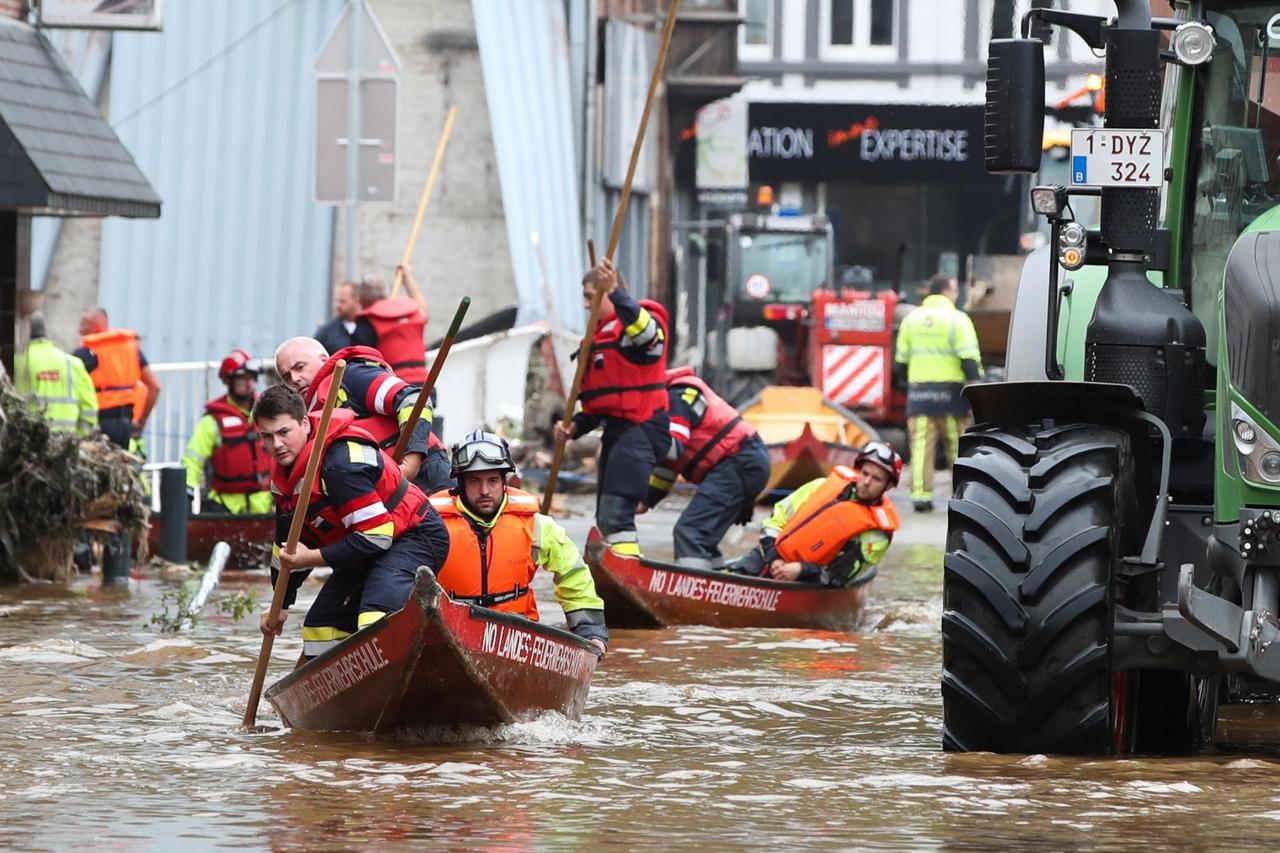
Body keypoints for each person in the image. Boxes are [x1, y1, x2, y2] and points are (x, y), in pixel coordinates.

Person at [253, 384, 450, 659]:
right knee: (320, 628)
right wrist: (280, 605)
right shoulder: (283, 479)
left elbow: (376, 536)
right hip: (362, 548)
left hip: (412, 535)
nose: (276, 444)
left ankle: (399, 681)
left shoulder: (340, 464)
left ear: (305, 424)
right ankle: (329, 696)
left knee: (374, 618)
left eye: (284, 432)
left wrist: (311, 558)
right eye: (267, 436)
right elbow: (285, 550)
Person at [427, 430, 609, 655]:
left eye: (493, 480)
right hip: (451, 634)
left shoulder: (537, 526)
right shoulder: (432, 527)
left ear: (504, 481)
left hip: (516, 640)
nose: (485, 491)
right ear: (460, 484)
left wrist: (590, 631)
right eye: (475, 481)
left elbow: (574, 576)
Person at [554, 258, 670, 557]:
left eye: (590, 297)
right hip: (617, 430)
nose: (585, 305)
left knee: (617, 511)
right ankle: (613, 573)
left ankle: (627, 568)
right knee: (605, 514)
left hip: (643, 426)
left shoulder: (634, 327)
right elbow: (596, 407)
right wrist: (574, 427)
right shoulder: (595, 340)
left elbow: (649, 340)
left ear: (608, 293)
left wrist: (618, 293)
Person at [274, 336, 453, 494]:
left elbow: (413, 401)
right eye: (287, 377)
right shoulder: (308, 418)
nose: (295, 379)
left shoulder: (352, 376)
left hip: (426, 473)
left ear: (324, 359)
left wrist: (411, 463)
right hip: (389, 492)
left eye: (300, 367)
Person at [641, 366, 770, 569]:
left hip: (740, 460)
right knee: (704, 538)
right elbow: (668, 467)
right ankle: (719, 584)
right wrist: (645, 502)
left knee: (690, 531)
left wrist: (637, 441)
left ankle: (692, 594)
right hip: (742, 461)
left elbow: (673, 449)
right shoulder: (666, 404)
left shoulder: (678, 395)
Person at [727, 443, 902, 587]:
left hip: (810, 580)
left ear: (888, 486)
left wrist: (801, 570)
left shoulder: (877, 536)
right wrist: (775, 558)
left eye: (876, 479)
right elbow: (775, 521)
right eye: (864, 474)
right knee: (731, 574)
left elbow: (839, 577)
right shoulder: (820, 486)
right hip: (769, 557)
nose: (866, 482)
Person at [894, 275, 982, 512]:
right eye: (954, 290)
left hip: (920, 394)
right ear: (946, 291)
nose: (956, 294)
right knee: (958, 447)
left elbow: (901, 360)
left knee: (921, 446)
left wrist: (909, 383)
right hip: (952, 395)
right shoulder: (957, 319)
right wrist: (977, 388)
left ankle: (921, 497)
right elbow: (969, 360)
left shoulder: (911, 319)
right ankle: (963, 496)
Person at [180, 349, 272, 515]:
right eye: (242, 378)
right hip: (224, 506)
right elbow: (192, 460)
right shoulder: (211, 421)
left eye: (251, 377)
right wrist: (186, 491)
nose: (249, 383)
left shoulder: (268, 412)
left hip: (265, 505)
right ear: (228, 381)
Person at [73, 306, 161, 451]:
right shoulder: (132, 349)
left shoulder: (84, 354)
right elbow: (155, 387)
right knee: (119, 469)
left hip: (97, 425)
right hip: (124, 424)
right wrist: (140, 422)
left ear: (93, 326)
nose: (79, 330)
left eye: (83, 324)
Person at [15, 312, 97, 435]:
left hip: (30, 441)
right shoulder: (73, 363)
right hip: (66, 443)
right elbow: (89, 406)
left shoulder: (18, 361)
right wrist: (80, 437)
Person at [357, 265, 430, 383]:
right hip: (424, 384)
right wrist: (408, 279)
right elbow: (424, 310)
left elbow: (362, 361)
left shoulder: (367, 320)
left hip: (395, 386)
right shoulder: (413, 312)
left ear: (363, 298)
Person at [313, 281, 365, 356]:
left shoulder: (368, 329)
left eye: (343, 301)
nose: (338, 305)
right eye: (337, 301)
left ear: (357, 300)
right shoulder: (326, 332)